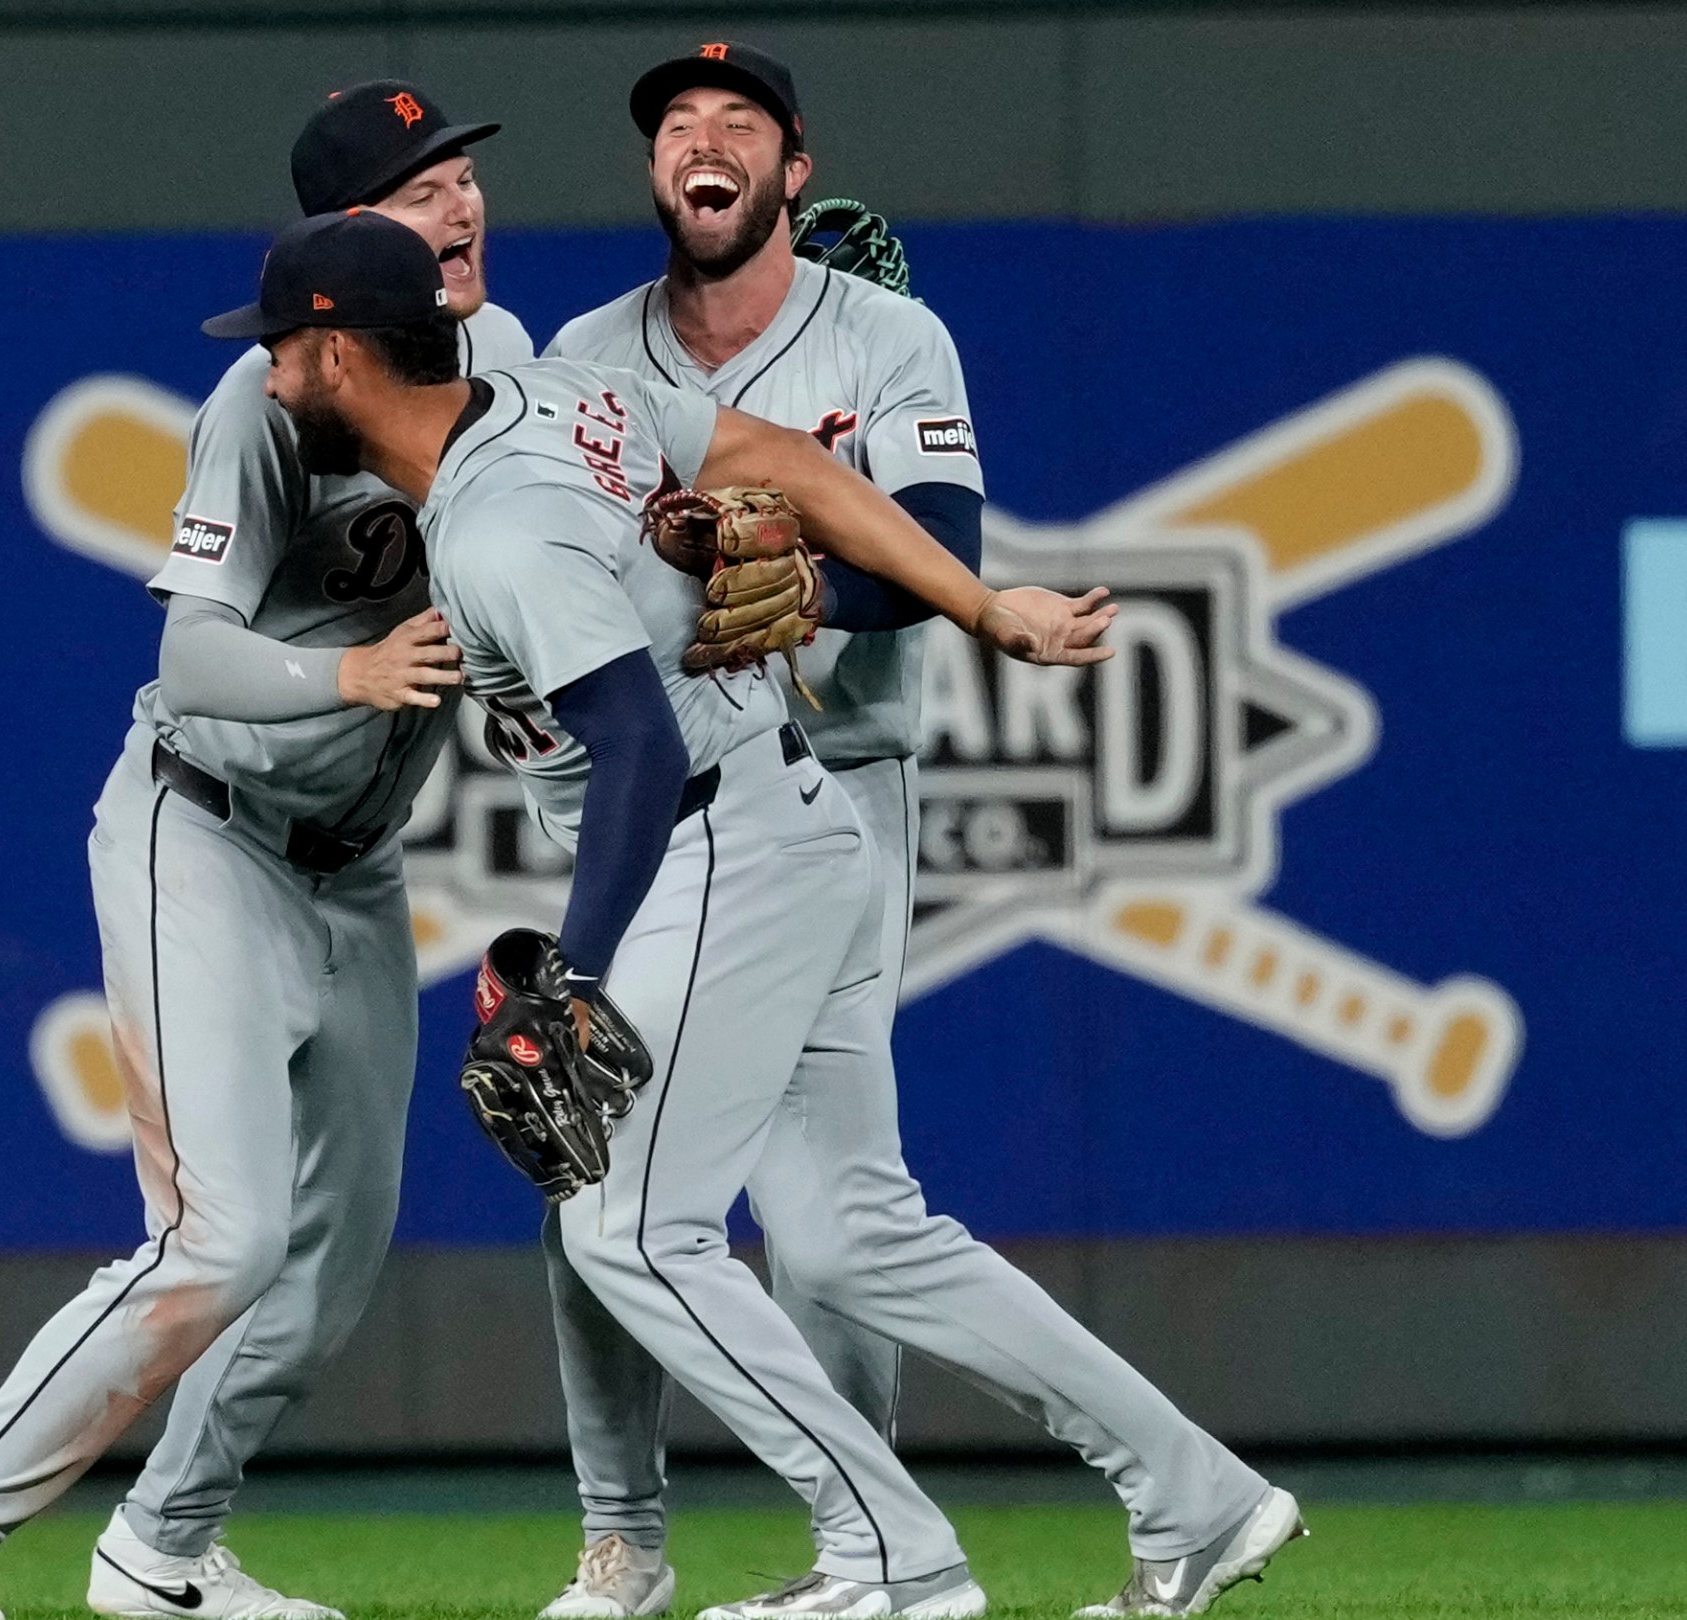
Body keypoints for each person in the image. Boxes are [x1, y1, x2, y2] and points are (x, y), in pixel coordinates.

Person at [219, 206, 1291, 1620]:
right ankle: (1200, 1497)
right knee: (854, 1234)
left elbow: (641, 754)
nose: (268, 381)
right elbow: (779, 459)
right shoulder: (562, 396)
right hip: (797, 825)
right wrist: (983, 610)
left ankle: (890, 1562)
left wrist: (574, 979)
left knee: (630, 1234)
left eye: (284, 352)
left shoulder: (496, 531)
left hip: (719, 848)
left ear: (346, 356)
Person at [528, 42, 1303, 1620]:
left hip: (832, 788)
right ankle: (1182, 1493)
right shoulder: (586, 351)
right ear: (652, 172)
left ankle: (860, 1550)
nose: (703, 140)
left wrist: (812, 580)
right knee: (822, 1222)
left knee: (680, 1194)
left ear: (793, 166)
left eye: (738, 121)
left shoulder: (888, 335)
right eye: (676, 124)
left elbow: (942, 549)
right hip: (665, 799)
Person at [0, 82, 531, 1620]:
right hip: (202, 831)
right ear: (346, 245)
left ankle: (163, 1552)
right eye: (424, 190)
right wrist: (347, 672)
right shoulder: (262, 406)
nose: (464, 203)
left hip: (358, 866)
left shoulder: (514, 365)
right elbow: (194, 662)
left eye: (464, 174)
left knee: (331, 1265)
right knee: (223, 1238)